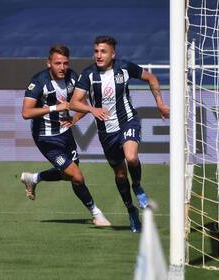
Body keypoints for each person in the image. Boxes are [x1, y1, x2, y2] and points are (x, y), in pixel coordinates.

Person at [70, 35, 169, 232]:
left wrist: (159, 103)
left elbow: (151, 78)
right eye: (96, 51)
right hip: (106, 132)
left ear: (112, 54)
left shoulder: (123, 67)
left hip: (127, 121)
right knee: (121, 174)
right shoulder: (88, 75)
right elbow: (74, 102)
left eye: (103, 51)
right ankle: (131, 211)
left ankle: (138, 186)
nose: (98, 55)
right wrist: (92, 110)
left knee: (131, 157)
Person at [20, 44, 110, 227]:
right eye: (57, 63)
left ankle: (34, 178)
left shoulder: (72, 78)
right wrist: (56, 107)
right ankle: (97, 214)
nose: (62, 67)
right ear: (48, 64)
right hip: (46, 138)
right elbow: (26, 113)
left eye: (65, 63)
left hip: (66, 133)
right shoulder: (38, 82)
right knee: (76, 176)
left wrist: (76, 118)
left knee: (69, 174)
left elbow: (81, 102)